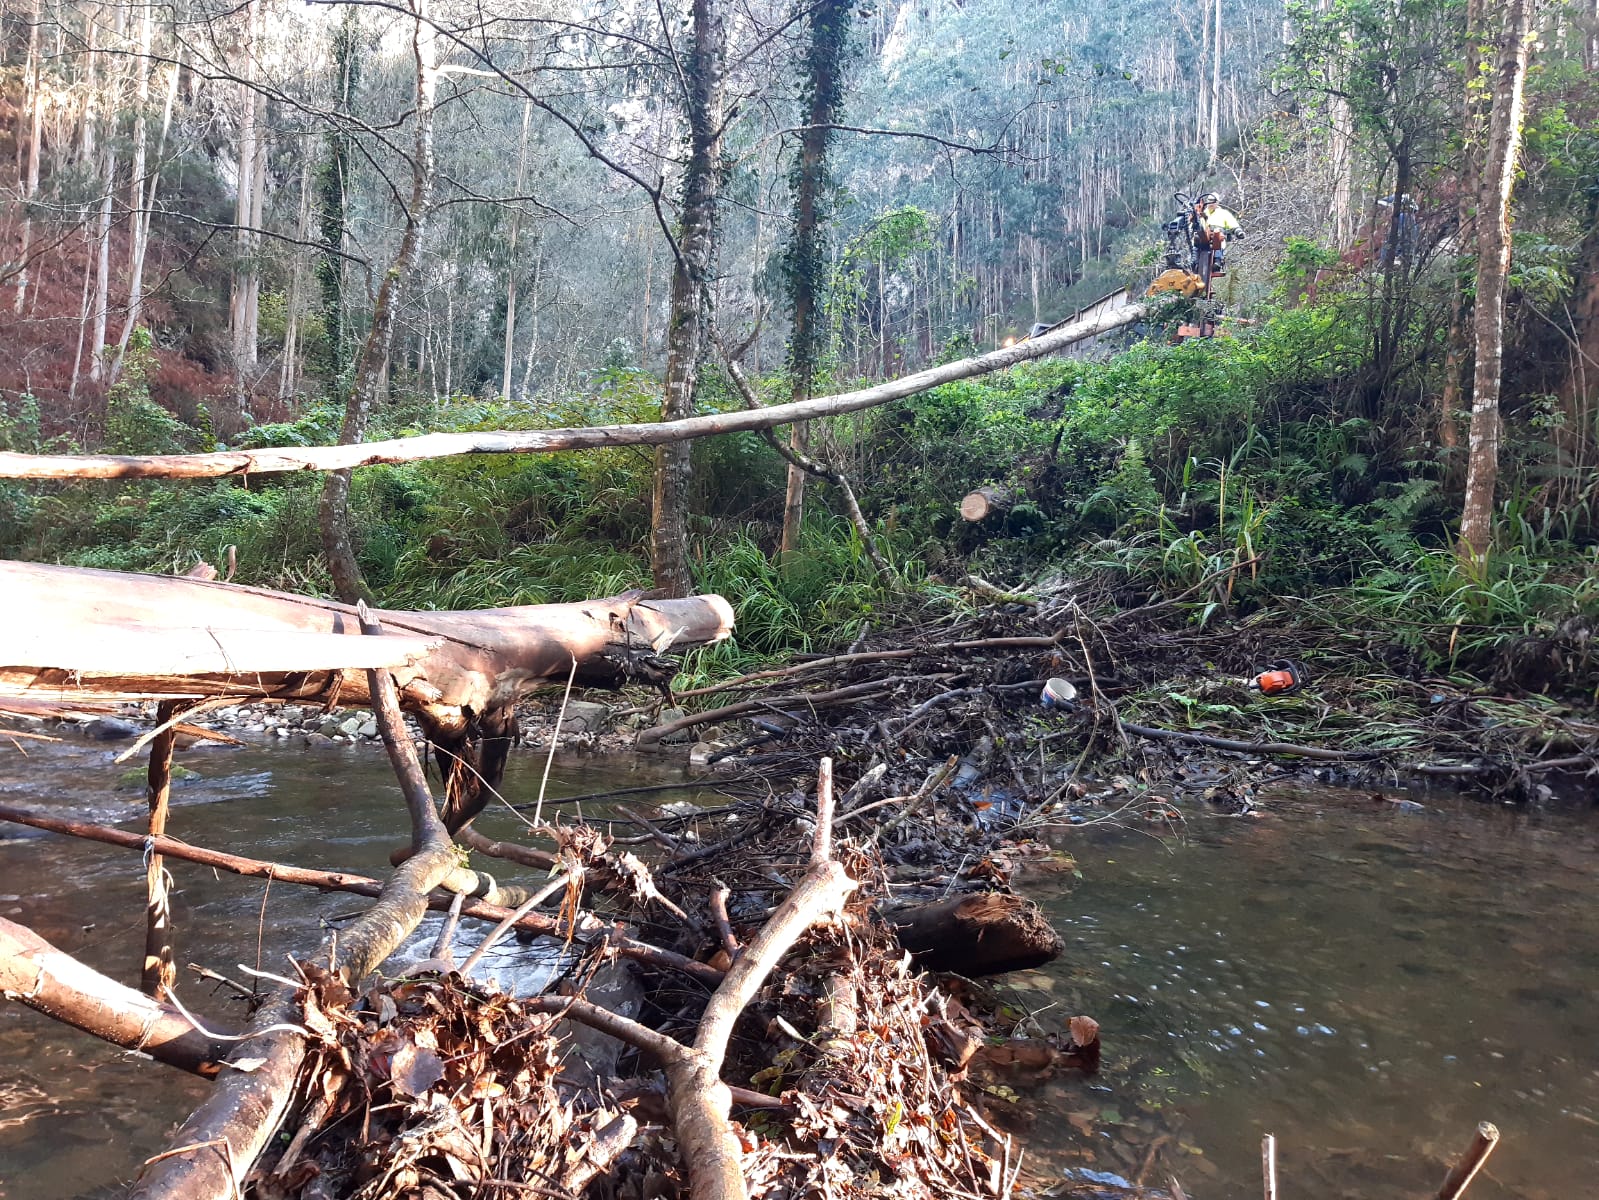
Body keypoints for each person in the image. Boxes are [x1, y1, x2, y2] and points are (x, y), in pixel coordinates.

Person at [1197, 192, 1242, 276]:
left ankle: (1217, 261)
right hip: (1203, 237)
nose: (1210, 204)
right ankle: (1195, 261)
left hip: (1217, 236)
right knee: (1196, 240)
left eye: (1213, 201)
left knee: (1218, 240)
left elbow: (1232, 223)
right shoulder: (1201, 213)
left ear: (1217, 202)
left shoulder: (1223, 213)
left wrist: (1238, 231)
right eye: (1209, 201)